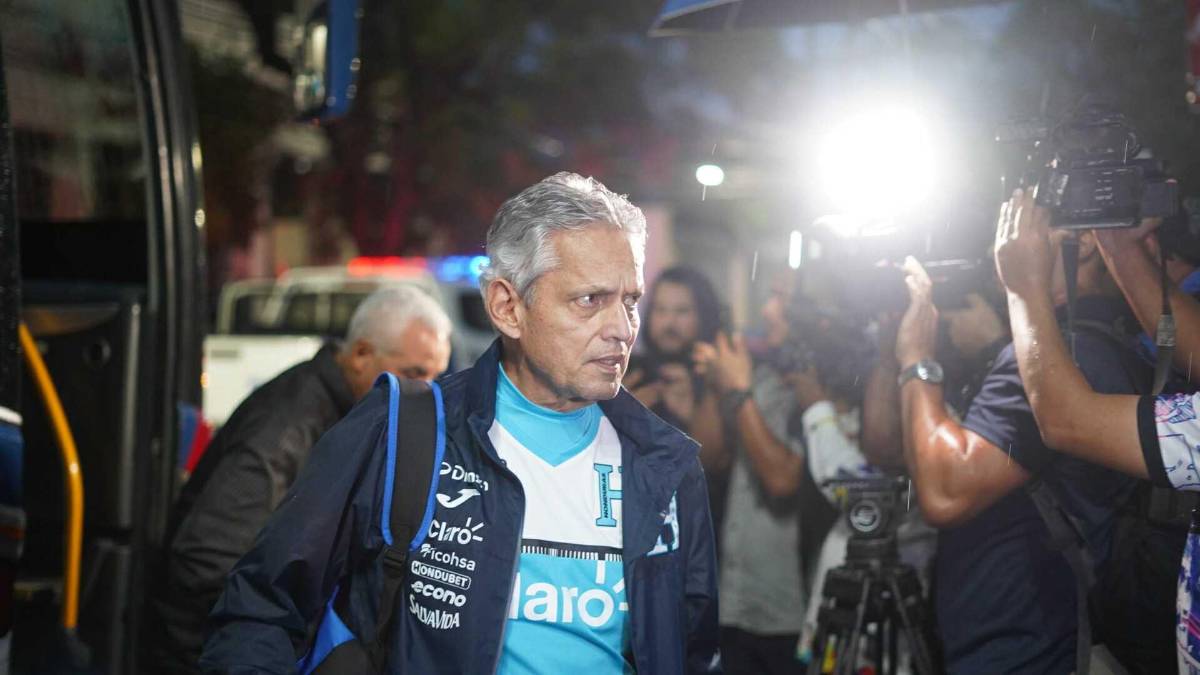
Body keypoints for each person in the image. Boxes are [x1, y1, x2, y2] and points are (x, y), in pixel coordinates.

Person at [199, 172, 721, 673]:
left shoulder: (666, 467)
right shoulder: (402, 430)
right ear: (507, 306)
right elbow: (262, 609)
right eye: (590, 300)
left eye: (630, 301)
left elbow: (694, 654)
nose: (622, 329)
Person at [894, 193, 1159, 672]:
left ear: (1083, 245)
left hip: (1027, 649)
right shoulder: (1102, 343)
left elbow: (945, 489)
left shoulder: (1061, 356)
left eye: (1025, 224)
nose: (1006, 241)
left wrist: (916, 359)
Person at [145, 286, 452, 673]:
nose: (426, 392)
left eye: (437, 376)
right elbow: (207, 560)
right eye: (414, 374)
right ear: (360, 354)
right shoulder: (289, 427)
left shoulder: (346, 415)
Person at [696, 270, 808, 675]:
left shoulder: (823, 388)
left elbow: (782, 479)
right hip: (738, 602)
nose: (767, 311)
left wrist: (739, 392)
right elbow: (708, 457)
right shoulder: (759, 376)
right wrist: (716, 384)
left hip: (793, 610)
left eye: (782, 299)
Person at [625, 266, 729, 531]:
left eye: (682, 311)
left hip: (700, 525)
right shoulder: (626, 372)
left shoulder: (718, 375)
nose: (669, 323)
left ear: (702, 316)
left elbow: (714, 465)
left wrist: (691, 414)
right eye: (660, 310)